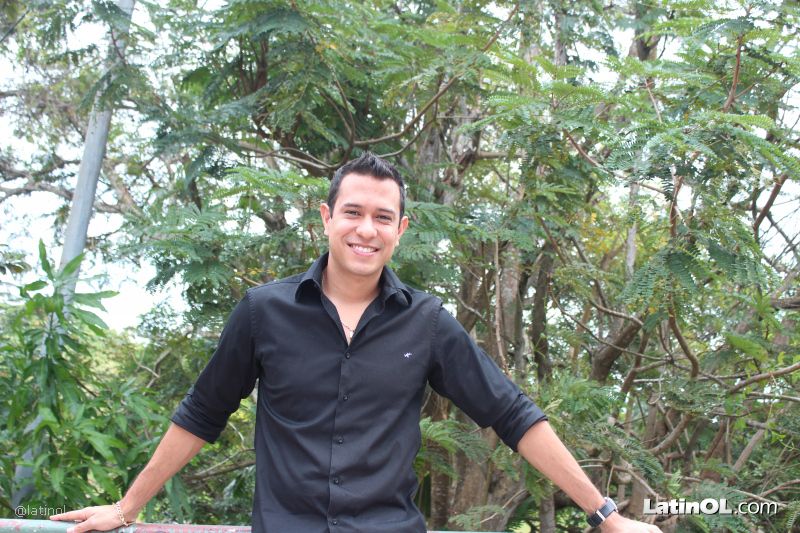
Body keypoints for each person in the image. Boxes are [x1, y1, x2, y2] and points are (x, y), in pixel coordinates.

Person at [51, 153, 661, 532]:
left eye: (382, 217)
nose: (366, 229)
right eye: (352, 212)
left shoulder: (426, 322)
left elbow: (512, 414)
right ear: (326, 217)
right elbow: (201, 414)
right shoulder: (264, 312)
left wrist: (606, 515)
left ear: (401, 229)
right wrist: (126, 508)